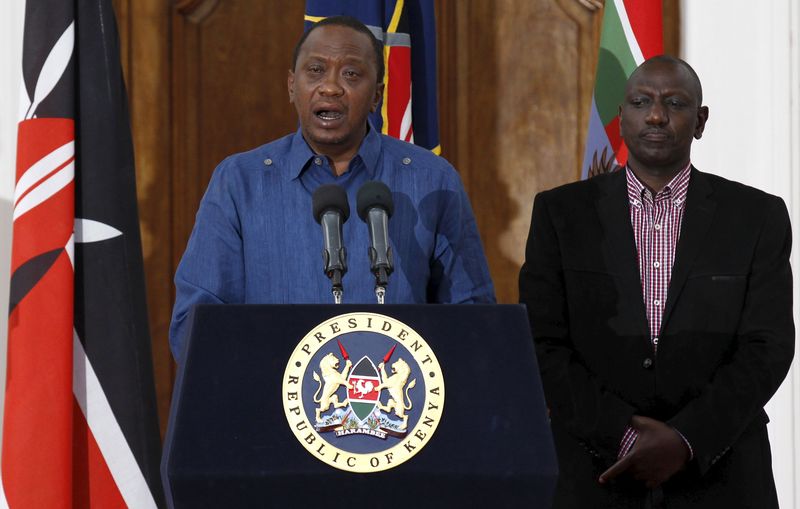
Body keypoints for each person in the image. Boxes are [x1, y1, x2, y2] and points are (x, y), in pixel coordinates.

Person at [519, 55, 794, 508]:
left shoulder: (757, 216)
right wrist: (625, 437)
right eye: (641, 101)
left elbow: (769, 346)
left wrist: (685, 438)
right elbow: (540, 341)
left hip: (721, 476)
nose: (656, 115)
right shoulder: (561, 214)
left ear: (701, 121)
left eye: (675, 102)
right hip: (596, 473)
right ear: (621, 117)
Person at [169, 16, 495, 360]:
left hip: (398, 407)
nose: (331, 87)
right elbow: (194, 326)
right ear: (292, 87)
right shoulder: (240, 182)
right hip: (270, 406)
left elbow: (474, 320)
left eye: (351, 74)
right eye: (315, 71)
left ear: (376, 96)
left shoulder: (431, 180)